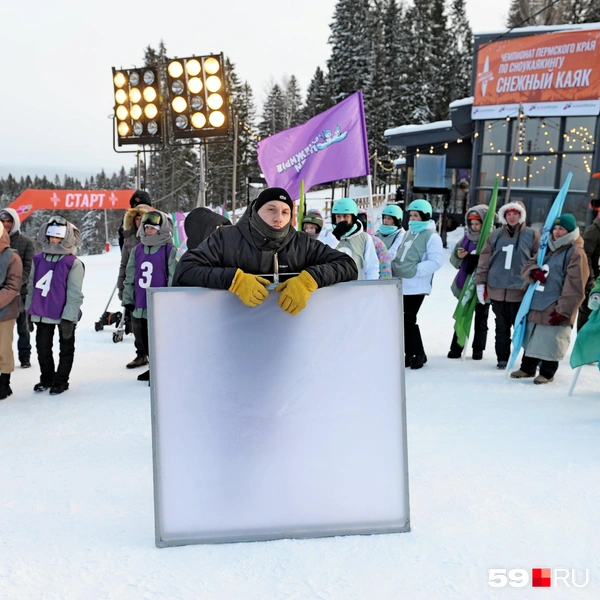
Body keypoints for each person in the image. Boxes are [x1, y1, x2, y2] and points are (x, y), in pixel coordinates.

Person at [173, 187, 358, 313]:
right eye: (271, 209)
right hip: (231, 334)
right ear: (256, 210)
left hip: (288, 337)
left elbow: (347, 265)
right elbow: (186, 270)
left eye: (285, 212)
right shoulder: (225, 238)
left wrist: (310, 280)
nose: (278, 218)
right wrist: (233, 280)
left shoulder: (302, 243)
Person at [510, 213, 589, 384]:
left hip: (555, 303)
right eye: (555, 228)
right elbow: (529, 264)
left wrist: (563, 310)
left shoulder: (576, 253)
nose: (557, 232)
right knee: (532, 335)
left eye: (561, 229)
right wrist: (533, 271)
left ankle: (547, 372)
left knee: (551, 337)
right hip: (537, 299)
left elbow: (575, 285)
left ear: (570, 231)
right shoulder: (547, 247)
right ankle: (527, 368)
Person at [475, 201, 541, 369]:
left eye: (515, 214)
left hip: (520, 290)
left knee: (522, 327)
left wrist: (533, 275)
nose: (512, 217)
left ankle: (530, 359)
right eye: (509, 214)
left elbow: (539, 258)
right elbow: (484, 260)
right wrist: (481, 282)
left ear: (522, 216)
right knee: (501, 326)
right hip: (497, 289)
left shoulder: (532, 235)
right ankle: (502, 357)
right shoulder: (495, 235)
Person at [26, 217, 84, 395]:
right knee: (42, 347)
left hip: (63, 313)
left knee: (66, 347)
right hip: (42, 311)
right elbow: (31, 286)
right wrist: (29, 311)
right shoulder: (38, 259)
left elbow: (75, 293)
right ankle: (47, 377)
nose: (54, 240)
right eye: (51, 236)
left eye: (58, 237)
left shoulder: (72, 263)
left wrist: (69, 317)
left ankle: (61, 380)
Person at [122, 210, 177, 382]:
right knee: (143, 338)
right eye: (146, 228)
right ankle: (152, 368)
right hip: (140, 304)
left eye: (152, 228)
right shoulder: (137, 250)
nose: (149, 231)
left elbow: (172, 276)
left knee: (159, 340)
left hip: (159, 305)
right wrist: (128, 299)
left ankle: (161, 371)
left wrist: (168, 301)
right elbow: (130, 276)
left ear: (161, 229)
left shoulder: (169, 250)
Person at [391, 199, 444, 369]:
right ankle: (409, 353)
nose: (412, 219)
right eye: (411, 216)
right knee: (401, 320)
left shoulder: (432, 236)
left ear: (425, 217)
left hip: (416, 286)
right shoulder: (408, 233)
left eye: (416, 216)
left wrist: (414, 271)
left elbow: (436, 261)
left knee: (408, 319)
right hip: (401, 284)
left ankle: (419, 353)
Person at [447, 206, 490, 360]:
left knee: (481, 319)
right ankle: (457, 346)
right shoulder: (466, 238)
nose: (474, 227)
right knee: (463, 314)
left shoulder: (490, 238)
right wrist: (459, 255)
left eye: (477, 224)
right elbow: (454, 260)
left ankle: (478, 349)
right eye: (471, 224)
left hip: (483, 285)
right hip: (465, 283)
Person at [117, 202, 150, 369]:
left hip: (151, 285)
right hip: (134, 286)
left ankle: (155, 356)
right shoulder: (128, 239)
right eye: (136, 218)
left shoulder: (155, 238)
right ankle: (141, 354)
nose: (139, 221)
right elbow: (124, 264)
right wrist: (121, 287)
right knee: (136, 322)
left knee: (152, 324)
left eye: (141, 218)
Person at [0, 208, 35, 368]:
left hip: (20, 293)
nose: (6, 224)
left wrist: (14, 286)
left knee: (23, 327)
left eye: (9, 221)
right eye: (3, 221)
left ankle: (25, 356)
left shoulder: (26, 242)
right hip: (2, 294)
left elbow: (28, 268)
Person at [0, 221, 23, 400]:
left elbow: (13, 286)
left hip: (5, 311)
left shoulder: (12, 257)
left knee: (3, 348)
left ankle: (4, 382)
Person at [331, 198, 379, 280]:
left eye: (346, 216)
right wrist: (335, 236)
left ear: (353, 218)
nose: (341, 220)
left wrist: (370, 289)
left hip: (356, 288)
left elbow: (372, 267)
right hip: (333, 288)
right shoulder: (327, 236)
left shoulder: (364, 238)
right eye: (338, 216)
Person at [577, 200, 600, 330]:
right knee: (587, 326)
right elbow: (585, 257)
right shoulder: (593, 231)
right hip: (593, 285)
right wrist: (591, 281)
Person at [357, 209, 392, 279]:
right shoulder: (346, 241)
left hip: (372, 284)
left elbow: (385, 265)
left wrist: (383, 286)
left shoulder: (376, 243)